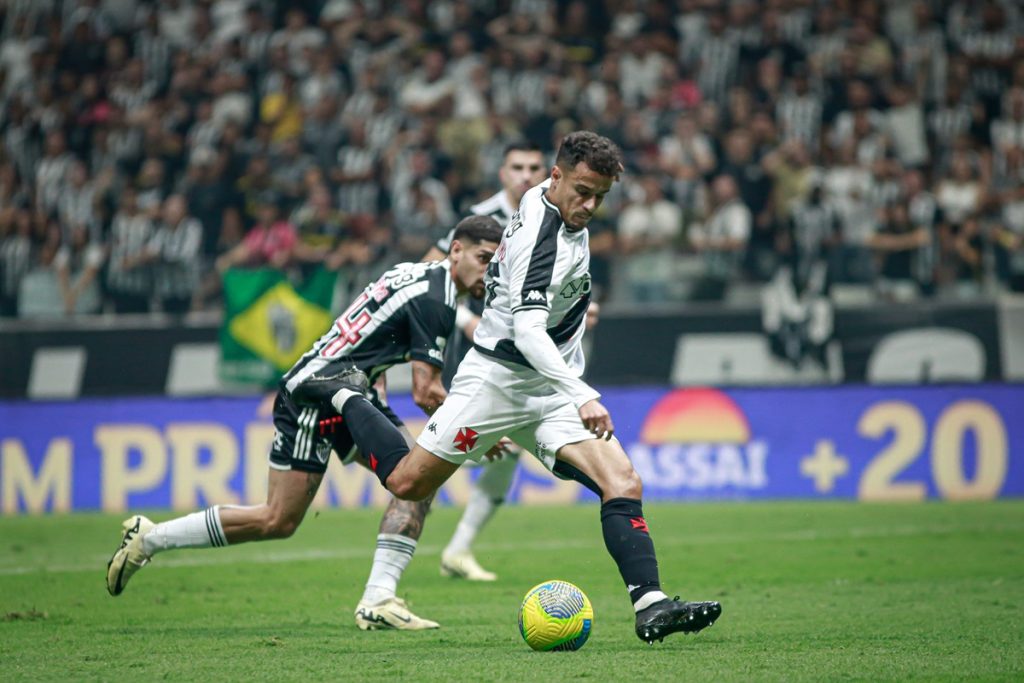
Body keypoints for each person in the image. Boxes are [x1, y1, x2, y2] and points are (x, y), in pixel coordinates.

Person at [284, 131, 722, 644]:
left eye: (601, 195)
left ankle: (650, 605)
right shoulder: (544, 237)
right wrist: (582, 392)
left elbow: (546, 306)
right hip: (495, 381)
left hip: (546, 388)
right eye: (583, 190)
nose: (590, 205)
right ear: (554, 176)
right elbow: (528, 329)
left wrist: (577, 314)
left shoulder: (551, 203)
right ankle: (342, 391)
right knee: (408, 484)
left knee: (622, 482)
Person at [106, 216, 503, 629]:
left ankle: (379, 598)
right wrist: (477, 431)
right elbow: (426, 392)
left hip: (341, 386)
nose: (489, 270)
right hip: (322, 391)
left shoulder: (412, 273)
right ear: (456, 250)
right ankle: (150, 539)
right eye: (483, 258)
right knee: (285, 516)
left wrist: (375, 385)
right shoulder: (438, 299)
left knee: (388, 491)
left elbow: (371, 331)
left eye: (497, 263)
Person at [421, 141, 548, 583]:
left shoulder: (551, 215)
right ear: (502, 172)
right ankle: (408, 521)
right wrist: (466, 319)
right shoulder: (480, 217)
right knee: (446, 454)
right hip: (472, 352)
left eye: (535, 166)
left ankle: (457, 549)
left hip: (523, 355)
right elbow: (430, 273)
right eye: (517, 167)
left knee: (507, 453)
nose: (526, 175)